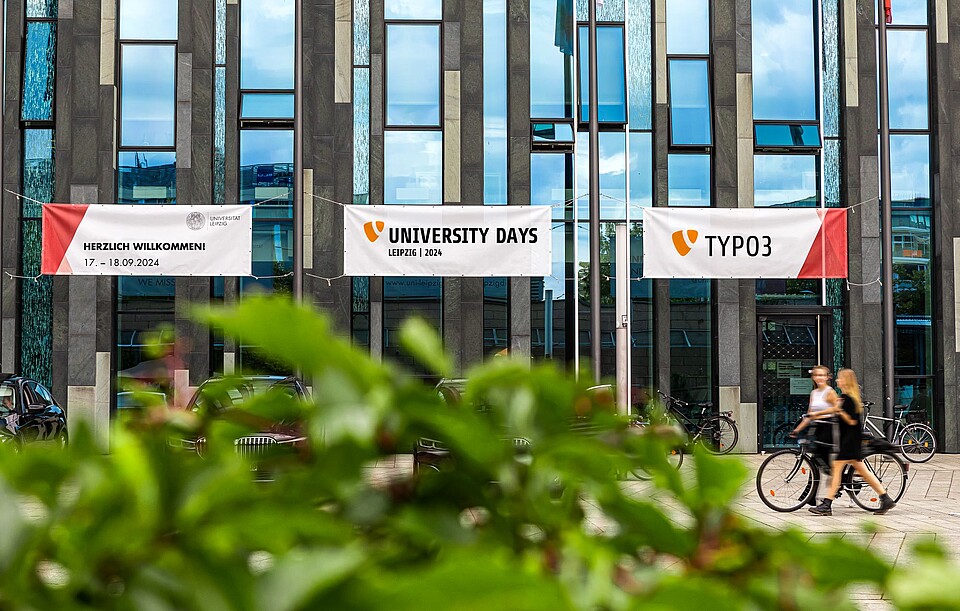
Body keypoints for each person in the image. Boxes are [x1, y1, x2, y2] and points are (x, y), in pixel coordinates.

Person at [809, 368, 896, 516]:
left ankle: (826, 505)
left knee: (837, 470)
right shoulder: (846, 397)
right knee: (863, 471)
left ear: (846, 381)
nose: (837, 381)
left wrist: (839, 411)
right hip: (849, 440)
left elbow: (851, 420)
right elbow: (836, 410)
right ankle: (885, 498)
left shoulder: (850, 399)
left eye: (839, 378)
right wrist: (818, 414)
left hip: (849, 440)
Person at [789, 365, 839, 466]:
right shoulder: (814, 393)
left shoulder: (830, 392)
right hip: (817, 429)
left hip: (828, 429)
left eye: (822, 375)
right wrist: (797, 430)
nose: (819, 377)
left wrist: (818, 413)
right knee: (816, 461)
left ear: (827, 377)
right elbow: (809, 415)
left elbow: (837, 409)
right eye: (816, 375)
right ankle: (817, 480)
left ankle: (837, 479)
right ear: (813, 377)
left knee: (823, 462)